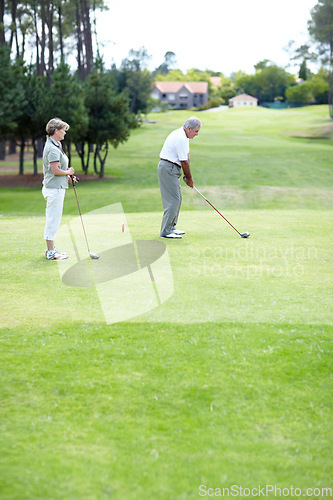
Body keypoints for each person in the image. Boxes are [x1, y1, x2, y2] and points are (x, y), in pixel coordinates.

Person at [157, 116, 202, 239]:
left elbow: (186, 157)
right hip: (168, 168)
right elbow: (184, 162)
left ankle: (171, 227)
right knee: (173, 200)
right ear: (189, 128)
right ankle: (166, 231)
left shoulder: (183, 136)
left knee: (178, 198)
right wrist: (189, 178)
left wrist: (187, 177)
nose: (197, 134)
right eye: (196, 131)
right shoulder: (181, 137)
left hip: (171, 168)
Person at [42, 117, 77, 260]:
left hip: (56, 186)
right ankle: (50, 252)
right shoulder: (52, 148)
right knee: (53, 219)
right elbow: (55, 170)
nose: (65, 133)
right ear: (56, 131)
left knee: (54, 218)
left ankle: (51, 249)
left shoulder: (55, 145)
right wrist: (68, 172)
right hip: (54, 189)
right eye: (63, 130)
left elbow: (56, 170)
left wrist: (67, 176)